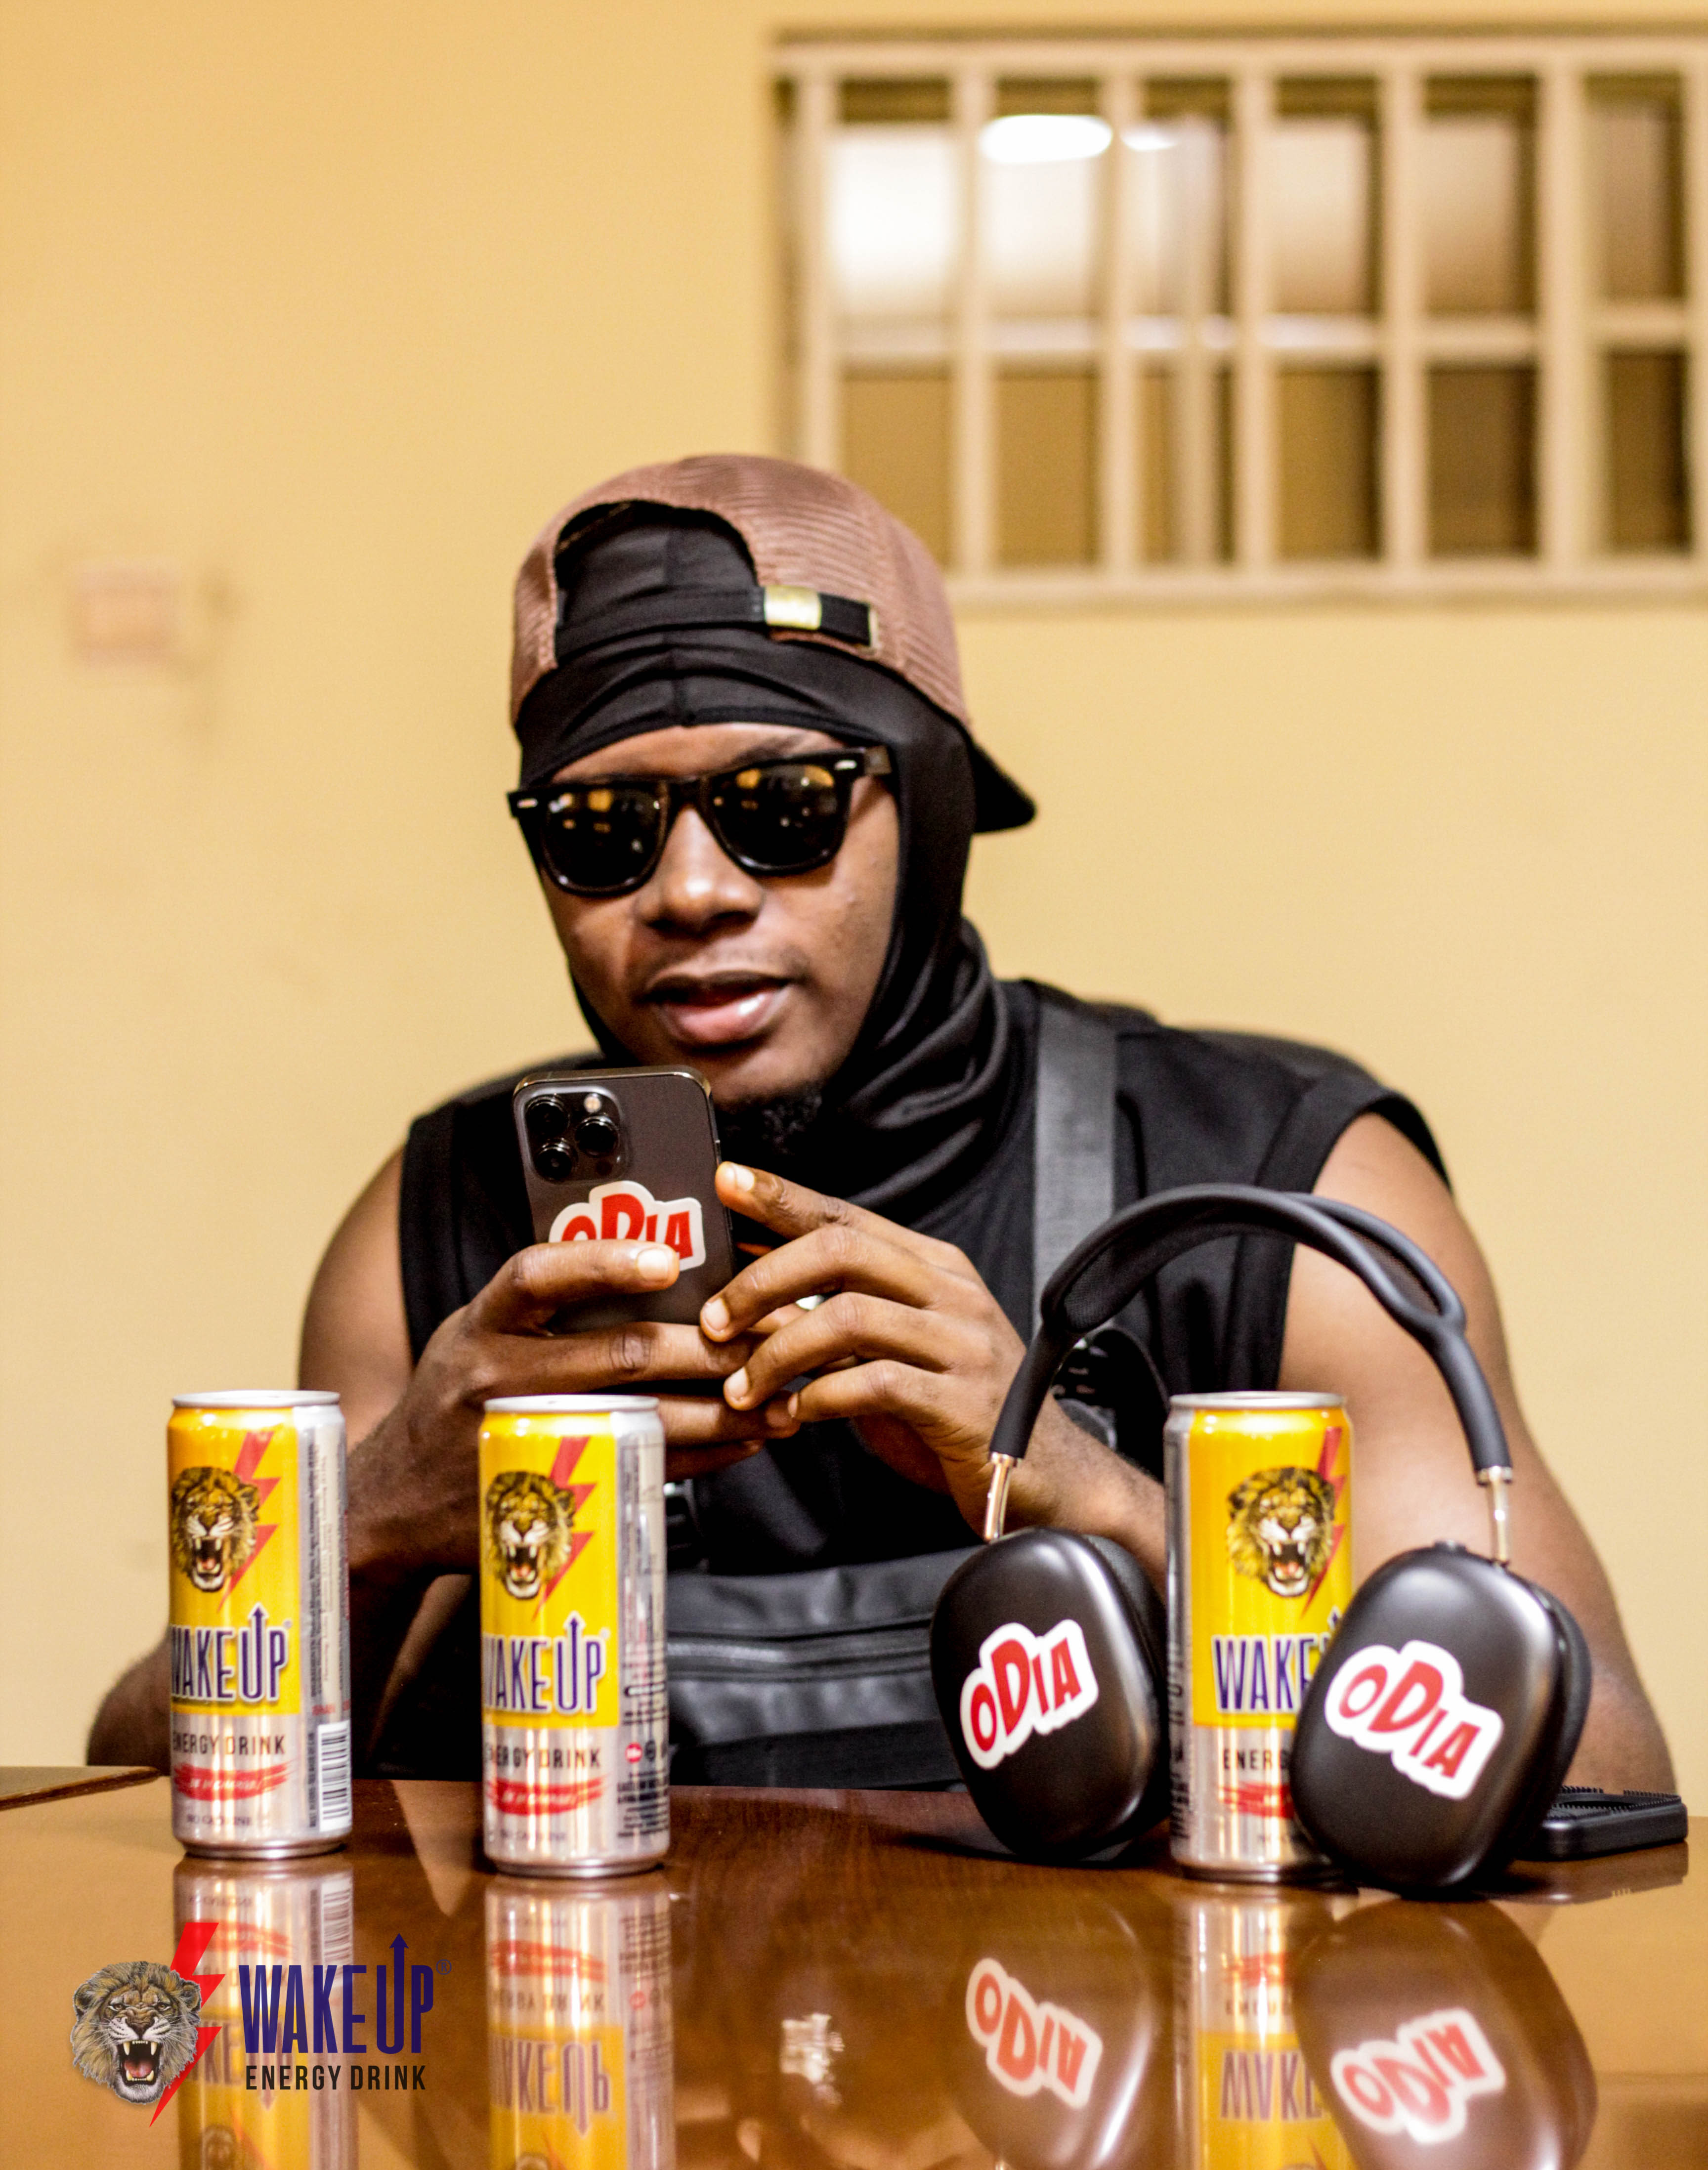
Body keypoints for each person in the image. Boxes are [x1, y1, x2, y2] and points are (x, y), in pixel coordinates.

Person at [90, 454, 1672, 1796]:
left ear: (929, 810)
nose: (691, 892)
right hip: (607, 2063)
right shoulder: (442, 1226)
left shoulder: (1271, 1190)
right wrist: (366, 1526)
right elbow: (134, 1798)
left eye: (780, 807)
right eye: (601, 831)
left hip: (1142, 2074)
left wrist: (1092, 1499)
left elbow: (1599, 1771)